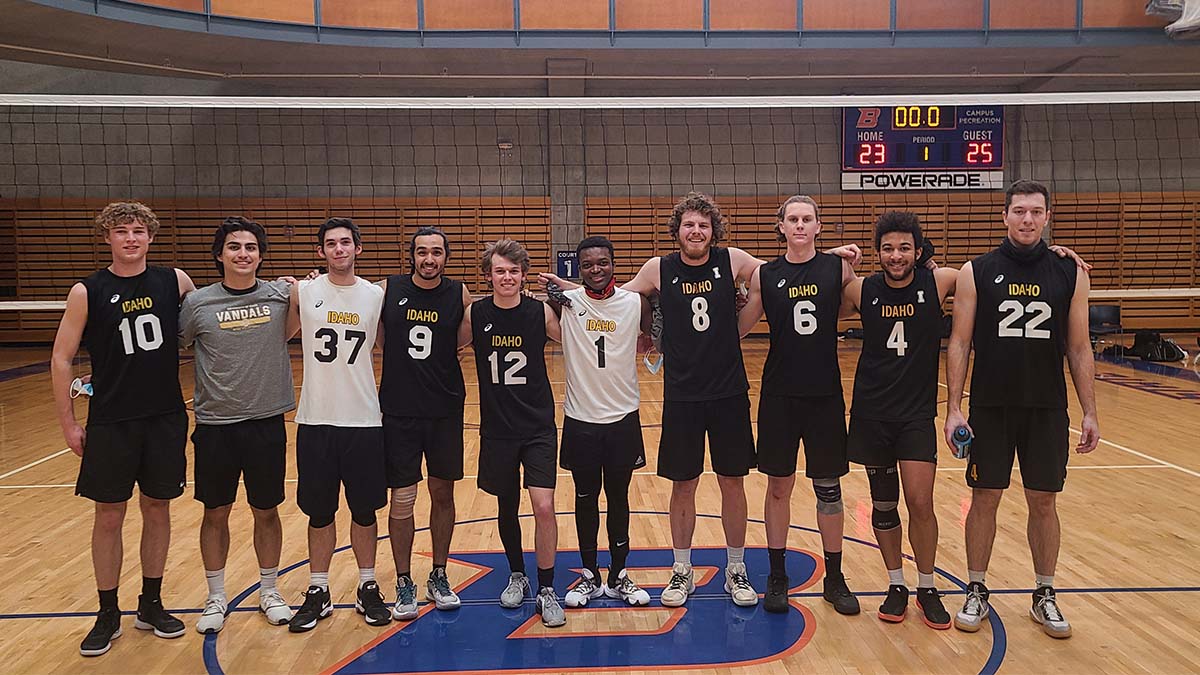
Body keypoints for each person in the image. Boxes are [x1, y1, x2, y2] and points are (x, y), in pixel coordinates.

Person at [944, 179, 1100, 639]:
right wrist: (954, 407)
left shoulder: (1070, 273)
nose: (1027, 219)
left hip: (1047, 408)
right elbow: (960, 340)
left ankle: (1045, 593)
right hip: (991, 406)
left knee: (1044, 500)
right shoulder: (977, 270)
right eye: (1019, 211)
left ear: (1047, 217)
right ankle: (976, 587)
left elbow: (1079, 347)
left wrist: (1090, 411)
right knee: (985, 497)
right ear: (1005, 216)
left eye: (1035, 211)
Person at [51, 202, 196, 656]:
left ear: (150, 237)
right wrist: (69, 422)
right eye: (121, 231)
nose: (131, 238)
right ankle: (107, 611)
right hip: (111, 420)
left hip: (164, 417)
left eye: (138, 231)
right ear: (107, 238)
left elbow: (208, 328)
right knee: (109, 515)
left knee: (157, 509)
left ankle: (151, 603)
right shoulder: (86, 291)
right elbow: (60, 357)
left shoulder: (175, 281)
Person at [619, 192, 769, 609]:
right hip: (682, 395)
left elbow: (782, 275)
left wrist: (833, 257)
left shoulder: (732, 260)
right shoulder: (658, 268)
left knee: (732, 482)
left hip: (728, 392)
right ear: (677, 230)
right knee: (683, 485)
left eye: (704, 225)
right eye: (689, 224)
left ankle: (735, 568)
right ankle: (681, 569)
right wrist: (569, 292)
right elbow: (614, 299)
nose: (697, 231)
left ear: (713, 230)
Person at [736, 195, 861, 616]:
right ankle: (777, 575)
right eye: (793, 219)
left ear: (819, 226)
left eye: (808, 219)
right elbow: (738, 328)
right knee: (778, 486)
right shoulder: (766, 275)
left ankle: (836, 576)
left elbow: (873, 298)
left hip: (825, 395)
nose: (801, 225)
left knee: (829, 488)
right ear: (782, 227)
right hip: (780, 395)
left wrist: (928, 267)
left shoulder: (839, 268)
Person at [840, 211, 958, 628]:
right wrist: (837, 259)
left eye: (905, 248)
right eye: (888, 248)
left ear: (919, 251)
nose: (896, 255)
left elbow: (990, 275)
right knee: (884, 503)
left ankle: (927, 585)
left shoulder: (939, 281)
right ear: (877, 252)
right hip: (872, 412)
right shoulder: (862, 289)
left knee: (921, 501)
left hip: (915, 415)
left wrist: (1055, 253)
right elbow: (814, 299)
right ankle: (896, 584)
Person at [180, 216, 297, 633]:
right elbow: (170, 344)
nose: (243, 253)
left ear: (261, 255)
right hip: (216, 424)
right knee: (216, 512)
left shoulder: (282, 295)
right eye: (234, 247)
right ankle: (216, 597)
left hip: (266, 421)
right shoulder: (197, 304)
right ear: (220, 255)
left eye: (250, 247)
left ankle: (269, 590)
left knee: (266, 511)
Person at [286, 217, 390, 633]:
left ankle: (367, 585)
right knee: (319, 512)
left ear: (358, 248)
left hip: (364, 419)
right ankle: (318, 589)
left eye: (346, 242)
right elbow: (283, 332)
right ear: (320, 252)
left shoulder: (375, 296)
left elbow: (389, 343)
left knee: (364, 511)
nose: (339, 249)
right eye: (330, 243)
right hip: (315, 419)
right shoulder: (304, 290)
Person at [459, 239, 566, 627]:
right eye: (500, 271)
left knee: (543, 506)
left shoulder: (539, 312)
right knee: (507, 506)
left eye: (514, 271)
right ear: (488, 275)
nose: (507, 277)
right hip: (498, 429)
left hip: (537, 425)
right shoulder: (476, 313)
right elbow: (444, 346)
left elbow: (580, 338)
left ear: (524, 276)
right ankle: (517, 574)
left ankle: (548, 588)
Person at [545, 236, 652, 608]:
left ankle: (619, 574)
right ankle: (589, 575)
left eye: (602, 262)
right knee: (585, 497)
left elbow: (653, 335)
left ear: (613, 263)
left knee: (619, 497)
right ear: (579, 268)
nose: (596, 269)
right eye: (588, 264)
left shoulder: (635, 303)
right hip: (580, 419)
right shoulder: (567, 304)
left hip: (623, 418)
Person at [378, 227, 473, 620]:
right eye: (422, 252)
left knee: (442, 494)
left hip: (444, 409)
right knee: (402, 498)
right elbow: (380, 337)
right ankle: (403, 580)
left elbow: (462, 339)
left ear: (446, 257)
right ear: (412, 255)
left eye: (436, 252)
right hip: (399, 410)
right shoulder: (388, 288)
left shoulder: (459, 293)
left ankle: (439, 573)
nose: (429, 259)